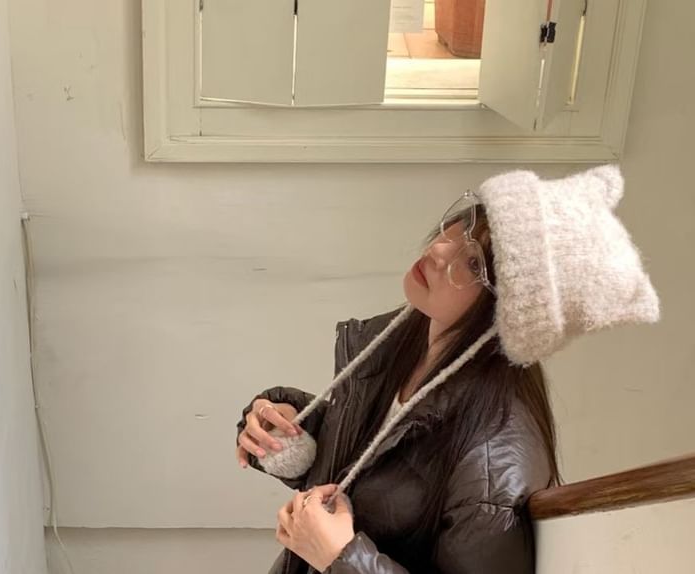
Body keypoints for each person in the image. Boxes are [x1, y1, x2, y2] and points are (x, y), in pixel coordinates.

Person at [234, 165, 660, 574]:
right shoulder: (404, 338)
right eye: (466, 222)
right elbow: (371, 468)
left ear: (508, 314)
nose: (440, 249)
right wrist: (288, 434)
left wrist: (342, 557)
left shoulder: (493, 460)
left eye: (475, 263)